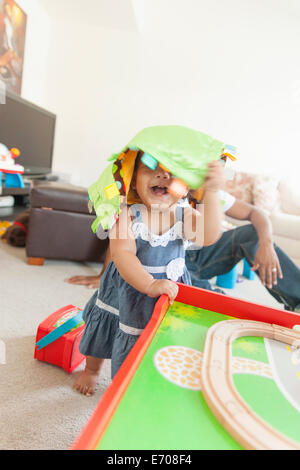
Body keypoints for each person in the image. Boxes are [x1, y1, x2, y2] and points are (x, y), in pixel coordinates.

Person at [73, 155, 225, 396]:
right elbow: (122, 254)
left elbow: (209, 236)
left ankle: (149, 375)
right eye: (151, 168)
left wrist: (213, 192)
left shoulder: (184, 215)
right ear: (133, 181)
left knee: (159, 337)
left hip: (168, 290)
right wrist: (150, 283)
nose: (163, 176)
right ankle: (92, 369)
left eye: (173, 171)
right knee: (108, 324)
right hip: (127, 288)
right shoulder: (128, 215)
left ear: (185, 185)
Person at [66, 191, 300, 313]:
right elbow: (125, 240)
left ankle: (297, 300)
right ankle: (211, 294)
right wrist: (104, 274)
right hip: (172, 263)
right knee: (201, 300)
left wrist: (266, 243)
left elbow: (257, 214)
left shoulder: (213, 193)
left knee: (252, 233)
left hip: (208, 253)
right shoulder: (158, 193)